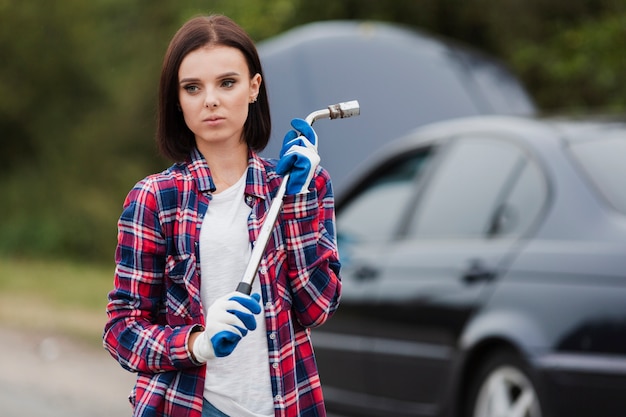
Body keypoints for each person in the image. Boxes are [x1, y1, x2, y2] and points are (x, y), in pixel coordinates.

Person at [103, 14, 342, 417]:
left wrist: (297, 200)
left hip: (287, 404)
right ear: (177, 102)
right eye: (192, 88)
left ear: (253, 88)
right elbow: (121, 330)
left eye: (226, 83)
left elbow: (317, 307)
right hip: (194, 406)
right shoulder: (155, 198)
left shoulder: (297, 185)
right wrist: (197, 343)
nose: (210, 99)